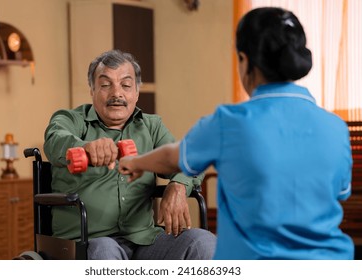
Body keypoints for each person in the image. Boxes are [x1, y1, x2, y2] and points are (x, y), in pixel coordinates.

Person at [119, 7, 354, 260]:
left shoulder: (229, 122)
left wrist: (137, 162)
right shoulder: (335, 127)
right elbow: (340, 192)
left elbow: (172, 158)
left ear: (244, 60)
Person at [43, 49, 216, 260]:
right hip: (88, 242)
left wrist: (178, 185)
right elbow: (55, 140)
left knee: (204, 242)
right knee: (105, 250)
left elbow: (189, 161)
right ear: (92, 90)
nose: (117, 94)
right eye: (106, 85)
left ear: (136, 92)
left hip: (144, 240)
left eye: (125, 85)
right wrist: (86, 147)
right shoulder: (71, 120)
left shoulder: (152, 126)